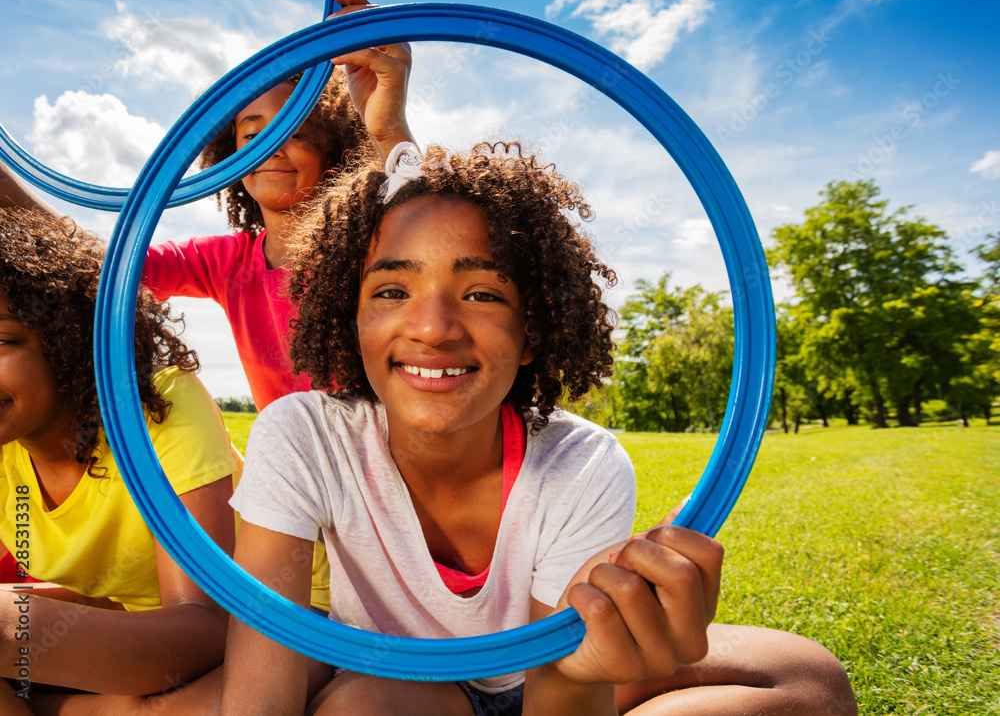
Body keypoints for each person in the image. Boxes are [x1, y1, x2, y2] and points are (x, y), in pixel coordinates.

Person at [221, 140, 856, 715]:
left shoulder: (581, 463)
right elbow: (257, 697)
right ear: (349, 316)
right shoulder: (302, 436)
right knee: (361, 711)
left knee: (808, 681)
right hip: (400, 684)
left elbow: (561, 684)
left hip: (539, 683)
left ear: (532, 333)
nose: (434, 327)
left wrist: (584, 678)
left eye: (483, 294)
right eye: (391, 291)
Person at [0, 0, 415, 413]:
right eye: (253, 135)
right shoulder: (226, 264)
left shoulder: (373, 243)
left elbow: (430, 235)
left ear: (333, 148)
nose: (271, 147)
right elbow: (100, 268)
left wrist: (389, 129)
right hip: (295, 469)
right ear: (230, 156)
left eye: (294, 129)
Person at [0, 209, 240, 714]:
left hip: (282, 626)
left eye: (3, 341)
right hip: (144, 640)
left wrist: (14, 631)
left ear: (70, 339)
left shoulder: (155, 405)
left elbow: (207, 626)